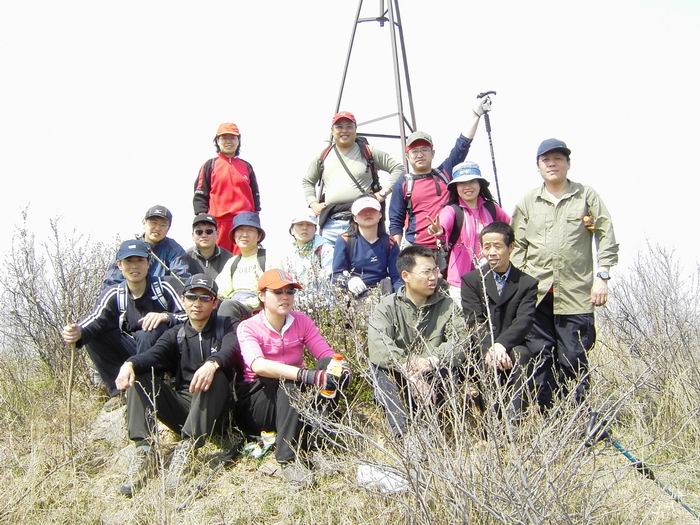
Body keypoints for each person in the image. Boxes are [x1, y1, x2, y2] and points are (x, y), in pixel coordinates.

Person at [511, 138, 619, 408]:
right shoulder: (528, 201)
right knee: (540, 357)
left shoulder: (586, 196)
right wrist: (520, 285)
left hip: (576, 293)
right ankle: (549, 419)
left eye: (558, 158)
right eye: (546, 160)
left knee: (573, 357)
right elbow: (516, 246)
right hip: (537, 295)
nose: (552, 164)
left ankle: (578, 417)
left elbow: (605, 235)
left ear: (568, 164)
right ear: (538, 166)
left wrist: (602, 277)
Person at [114, 274, 239, 496]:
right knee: (139, 376)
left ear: (215, 303)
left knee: (215, 375)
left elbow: (232, 348)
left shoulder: (227, 325)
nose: (197, 303)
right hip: (184, 409)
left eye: (205, 298)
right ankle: (144, 450)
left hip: (218, 411)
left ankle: (188, 449)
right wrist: (130, 363)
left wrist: (212, 364)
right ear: (182, 300)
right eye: (191, 297)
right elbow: (154, 354)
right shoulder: (177, 333)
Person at [235, 269, 349, 485]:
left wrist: (340, 368)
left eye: (290, 292)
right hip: (259, 401)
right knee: (290, 381)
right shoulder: (248, 327)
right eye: (277, 292)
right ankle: (287, 459)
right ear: (262, 295)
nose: (285, 297)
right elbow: (258, 365)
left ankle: (318, 444)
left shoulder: (301, 321)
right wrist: (306, 375)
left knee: (329, 368)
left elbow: (324, 353)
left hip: (291, 400)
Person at [62, 240, 187, 402]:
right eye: (128, 261)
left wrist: (166, 317)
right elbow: (95, 320)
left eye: (140, 260)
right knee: (94, 336)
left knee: (149, 331)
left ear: (148, 263)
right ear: (119, 265)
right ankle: (120, 391)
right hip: (133, 352)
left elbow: (190, 317)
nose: (134, 266)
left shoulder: (165, 286)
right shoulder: (115, 293)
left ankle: (151, 387)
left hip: (165, 354)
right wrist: (77, 331)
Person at [367, 246, 469, 437]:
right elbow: (378, 345)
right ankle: (402, 435)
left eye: (435, 270)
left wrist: (430, 361)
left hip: (433, 373)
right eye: (426, 272)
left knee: (449, 367)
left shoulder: (447, 305)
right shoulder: (387, 306)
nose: (433, 277)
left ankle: (431, 431)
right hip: (401, 374)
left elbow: (461, 341)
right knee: (380, 368)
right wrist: (409, 369)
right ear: (406, 276)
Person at [388, 96, 492, 250]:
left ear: (433, 153)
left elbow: (462, 145)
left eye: (424, 150)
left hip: (449, 246)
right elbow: (396, 222)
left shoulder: (445, 173)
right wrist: (396, 254)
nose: (420, 154)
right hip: (417, 250)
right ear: (407, 157)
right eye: (414, 151)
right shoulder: (403, 184)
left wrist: (476, 115)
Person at [460, 222, 538, 421]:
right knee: (485, 361)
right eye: (487, 247)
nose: (491, 252)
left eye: (497, 246)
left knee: (521, 355)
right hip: (483, 345)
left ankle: (515, 419)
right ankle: (492, 421)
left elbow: (524, 320)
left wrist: (502, 345)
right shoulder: (472, 280)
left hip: (512, 344)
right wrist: (491, 347)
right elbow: (474, 320)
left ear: (511, 247)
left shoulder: (527, 283)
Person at [301, 111, 405, 245]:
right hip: (331, 225)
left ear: (356, 129)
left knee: (366, 258)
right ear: (332, 131)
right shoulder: (323, 156)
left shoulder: (368, 151)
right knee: (330, 259)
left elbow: (399, 169)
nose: (344, 130)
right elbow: (308, 181)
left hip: (364, 222)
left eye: (349, 126)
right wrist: (313, 204)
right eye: (339, 127)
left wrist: (383, 193)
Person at [428, 161, 510, 300]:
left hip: (493, 275)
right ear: (455, 187)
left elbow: (510, 226)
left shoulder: (491, 208)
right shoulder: (451, 210)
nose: (467, 186)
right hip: (460, 281)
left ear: (480, 184)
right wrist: (439, 229)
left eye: (472, 181)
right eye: (461, 183)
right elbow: (444, 222)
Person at [193, 122, 261, 252]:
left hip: (243, 223)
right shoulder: (210, 165)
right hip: (218, 223)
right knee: (219, 259)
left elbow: (255, 195)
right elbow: (200, 194)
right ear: (217, 141)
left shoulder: (247, 166)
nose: (228, 141)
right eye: (224, 138)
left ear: (238, 141)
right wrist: (203, 219)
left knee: (244, 259)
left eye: (232, 138)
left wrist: (254, 219)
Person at [102, 205, 190, 289]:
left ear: (169, 228)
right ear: (144, 223)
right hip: (129, 295)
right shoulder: (128, 249)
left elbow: (181, 280)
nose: (157, 228)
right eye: (153, 223)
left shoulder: (175, 250)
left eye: (163, 225)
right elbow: (111, 283)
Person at [332, 196, 401, 297]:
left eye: (372, 210)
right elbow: (336, 275)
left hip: (383, 294)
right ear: (355, 218)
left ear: (380, 215)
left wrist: (400, 297)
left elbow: (397, 278)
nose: (368, 213)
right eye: (362, 211)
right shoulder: (344, 240)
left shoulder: (390, 243)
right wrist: (348, 281)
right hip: (354, 294)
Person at [215, 211, 267, 318]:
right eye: (240, 230)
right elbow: (221, 291)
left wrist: (250, 302)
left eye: (250, 230)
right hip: (234, 307)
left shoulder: (268, 258)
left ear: (259, 236)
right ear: (234, 236)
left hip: (259, 310)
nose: (244, 235)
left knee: (227, 306)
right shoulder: (232, 262)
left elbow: (275, 290)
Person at [278, 212, 333, 309]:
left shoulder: (325, 249)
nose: (304, 228)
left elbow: (329, 277)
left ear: (315, 229)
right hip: (293, 306)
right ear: (292, 230)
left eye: (309, 224)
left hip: (322, 306)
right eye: (300, 224)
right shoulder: (285, 252)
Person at [184, 213, 233, 280]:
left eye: (209, 231)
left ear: (217, 234)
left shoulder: (229, 259)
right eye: (199, 232)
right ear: (193, 236)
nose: (204, 235)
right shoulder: (184, 257)